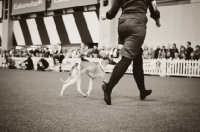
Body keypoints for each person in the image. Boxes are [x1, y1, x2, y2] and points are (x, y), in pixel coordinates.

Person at [101, 0, 161, 105]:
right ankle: (109, 86)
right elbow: (154, 11)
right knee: (127, 58)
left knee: (137, 58)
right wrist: (158, 22)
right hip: (137, 25)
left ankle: (142, 91)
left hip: (123, 25)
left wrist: (105, 16)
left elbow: (112, 13)